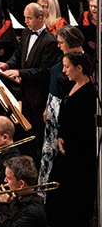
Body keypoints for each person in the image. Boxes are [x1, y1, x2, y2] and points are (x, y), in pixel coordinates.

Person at [0, 3, 61, 158]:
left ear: (41, 17)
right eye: (25, 17)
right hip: (23, 93)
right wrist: (8, 64)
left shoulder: (49, 41)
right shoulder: (25, 33)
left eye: (29, 18)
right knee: (23, 134)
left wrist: (19, 72)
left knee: (37, 135)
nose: (26, 21)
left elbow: (44, 71)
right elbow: (18, 55)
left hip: (38, 96)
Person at [45, 52, 96, 227]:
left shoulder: (88, 93)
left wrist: (66, 142)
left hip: (78, 155)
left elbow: (84, 129)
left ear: (79, 68)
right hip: (66, 147)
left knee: (73, 194)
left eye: (67, 67)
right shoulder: (73, 85)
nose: (64, 71)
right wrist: (60, 137)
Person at [39, 25, 85, 185]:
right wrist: (47, 106)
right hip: (53, 108)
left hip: (65, 113)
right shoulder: (62, 58)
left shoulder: (81, 64)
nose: (58, 45)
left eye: (61, 42)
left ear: (71, 42)